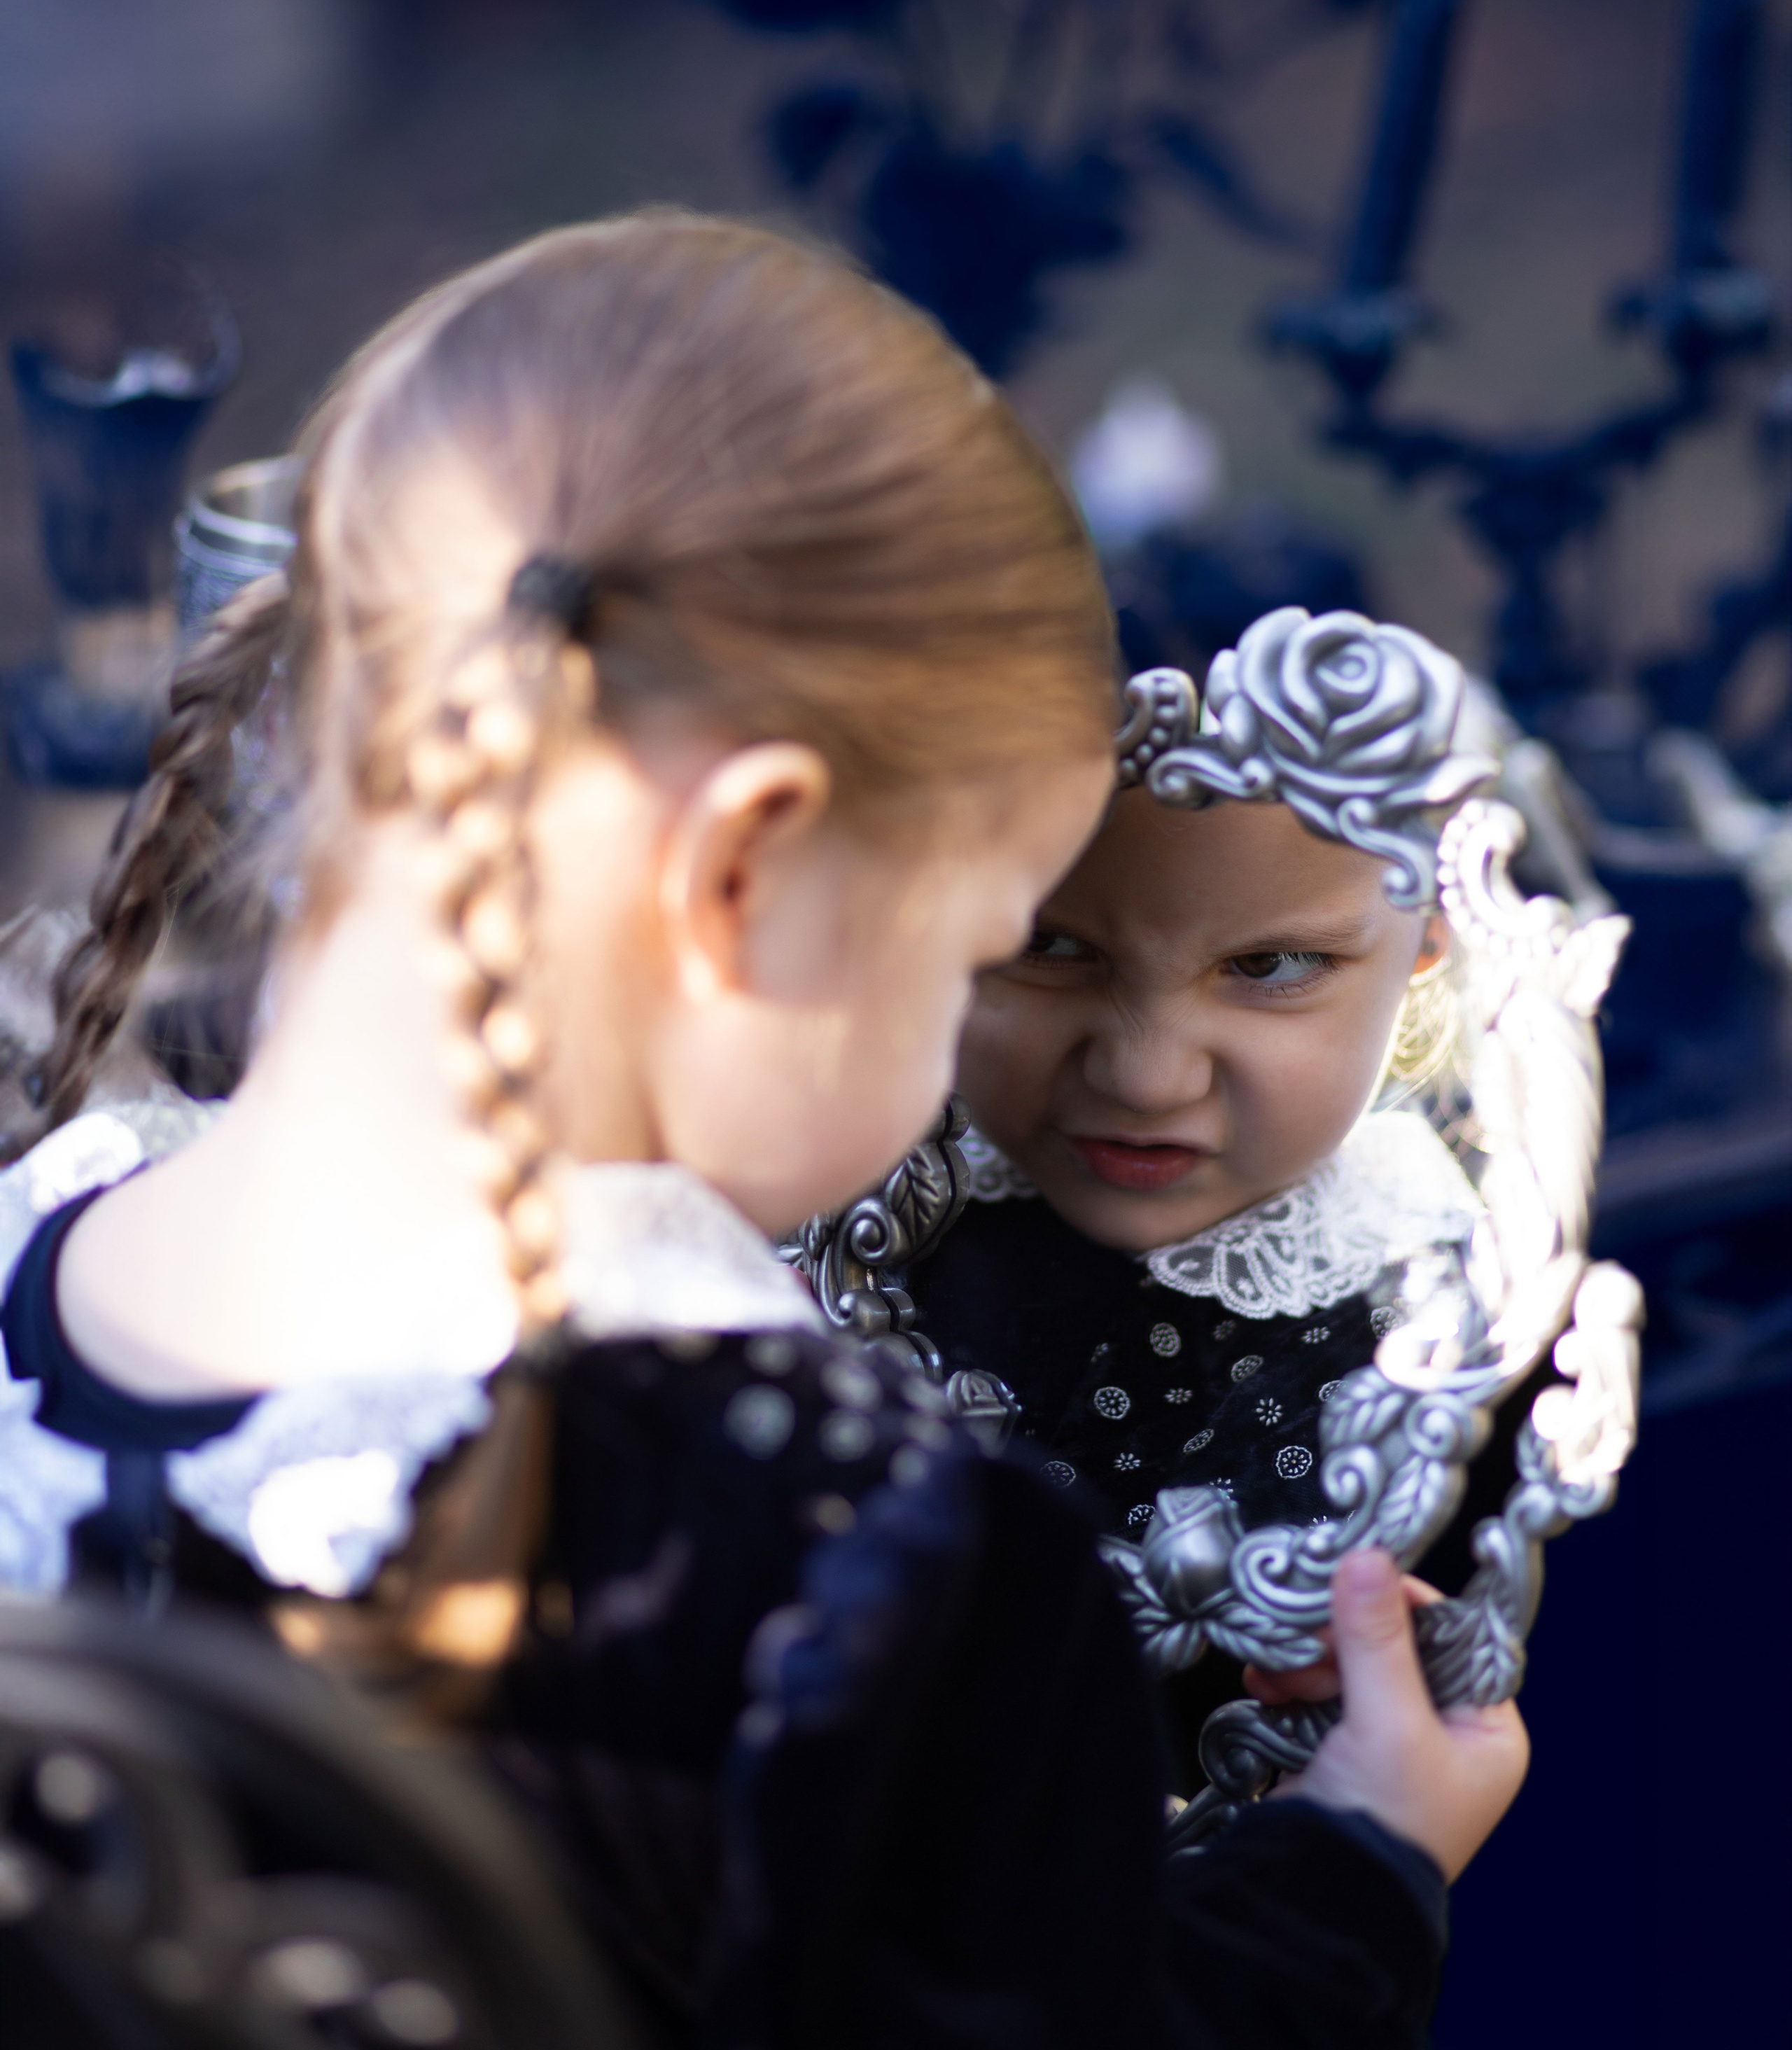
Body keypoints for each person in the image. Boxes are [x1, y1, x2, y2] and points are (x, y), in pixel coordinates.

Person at [0, 216, 1523, 2049]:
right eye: (974, 952)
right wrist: (1356, 1862)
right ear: (739, 871)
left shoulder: (44, 1244)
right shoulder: (853, 1564)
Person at [912, 781, 1480, 1538]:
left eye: (1270, 964)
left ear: (1426, 940)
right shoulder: (858, 1180)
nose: (1142, 1081)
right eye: (1045, 944)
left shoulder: (1426, 1344)